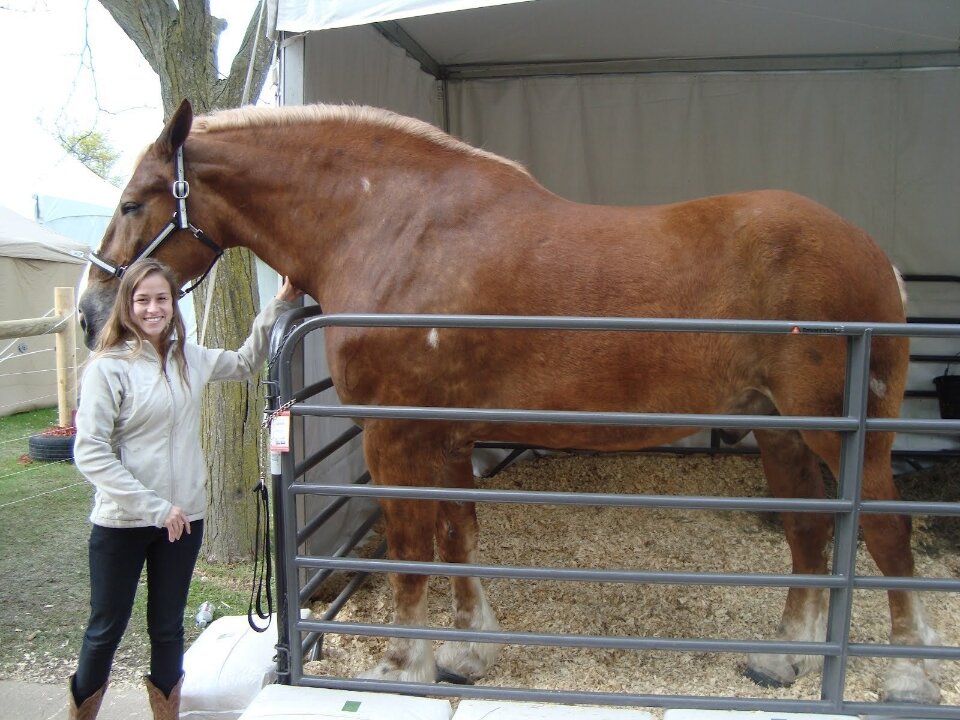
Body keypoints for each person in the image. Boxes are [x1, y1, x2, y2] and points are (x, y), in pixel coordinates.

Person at [68, 258, 303, 720]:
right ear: (127, 306)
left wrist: (278, 305)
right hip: (124, 521)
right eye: (142, 300)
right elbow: (90, 451)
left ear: (174, 304)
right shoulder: (107, 369)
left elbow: (242, 363)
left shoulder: (189, 359)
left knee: (168, 628)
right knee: (105, 629)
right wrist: (154, 506)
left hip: (184, 519)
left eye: (162, 299)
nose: (153, 309)